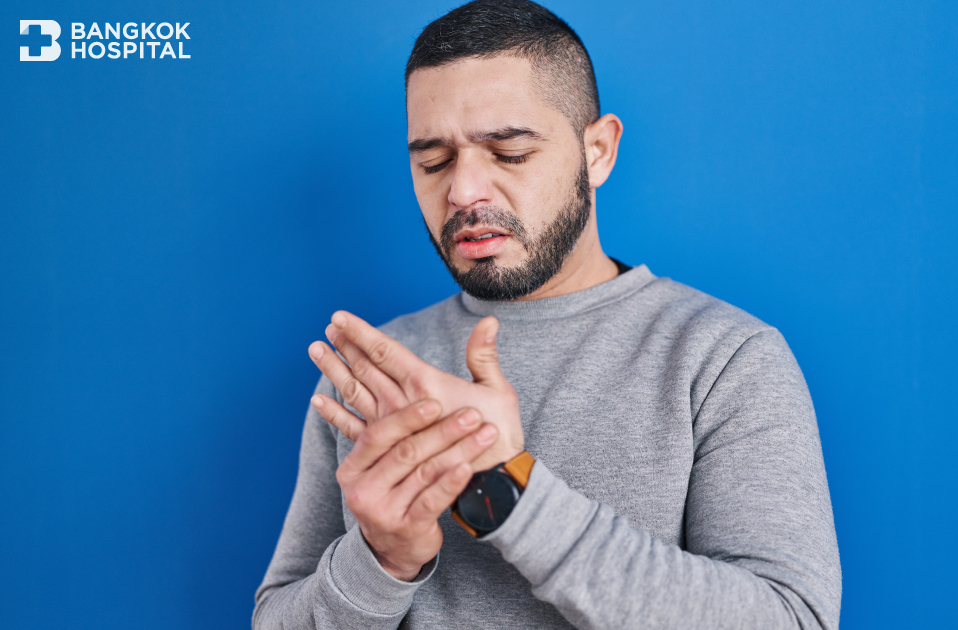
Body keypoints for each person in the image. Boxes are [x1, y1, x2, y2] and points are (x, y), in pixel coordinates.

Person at [253, 1, 841, 628]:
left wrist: (509, 495)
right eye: (433, 161)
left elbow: (791, 620)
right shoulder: (370, 375)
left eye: (508, 153)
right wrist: (379, 562)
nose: (463, 191)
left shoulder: (724, 359)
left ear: (598, 152)